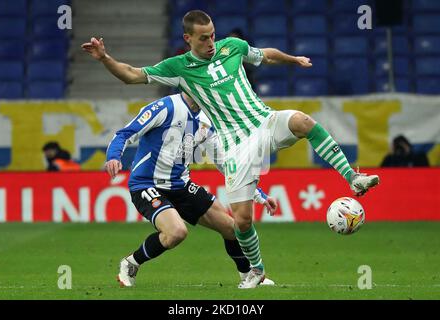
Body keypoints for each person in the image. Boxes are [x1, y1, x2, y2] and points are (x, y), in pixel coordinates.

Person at [82, 10, 380, 289]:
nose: (211, 42)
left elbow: (265, 56)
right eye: (203, 37)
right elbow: (131, 75)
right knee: (211, 227)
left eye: (212, 35)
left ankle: (351, 178)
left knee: (301, 123)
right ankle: (138, 263)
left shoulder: (231, 51)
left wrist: (294, 59)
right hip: (188, 167)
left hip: (259, 126)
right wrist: (105, 58)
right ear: (188, 39)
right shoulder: (173, 84)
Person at [106, 92, 277, 287]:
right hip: (147, 184)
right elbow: (125, 133)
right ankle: (131, 263)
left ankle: (248, 276)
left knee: (231, 228)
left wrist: (258, 195)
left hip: (181, 185)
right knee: (176, 232)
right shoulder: (165, 107)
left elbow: (225, 164)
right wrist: (114, 156)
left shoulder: (205, 120)